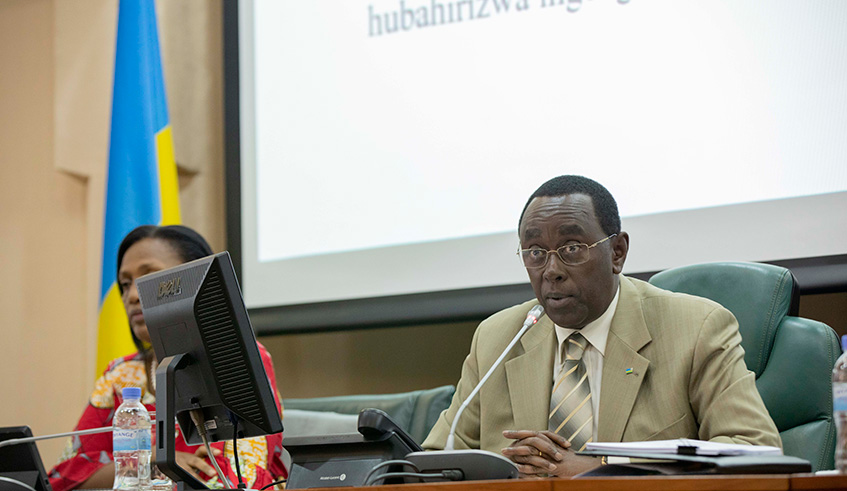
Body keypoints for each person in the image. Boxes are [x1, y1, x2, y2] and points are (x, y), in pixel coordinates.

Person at [422, 175, 781, 477]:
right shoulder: (497, 338)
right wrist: (507, 468)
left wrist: (600, 468)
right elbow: (433, 462)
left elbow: (754, 448)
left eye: (572, 247)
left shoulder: (696, 327)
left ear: (618, 253)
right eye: (534, 251)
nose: (551, 270)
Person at [48, 225, 287, 491]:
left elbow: (236, 474)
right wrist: (150, 462)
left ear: (196, 279)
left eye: (150, 279)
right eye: (126, 285)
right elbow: (65, 478)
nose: (133, 296)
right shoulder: (120, 374)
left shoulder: (239, 356)